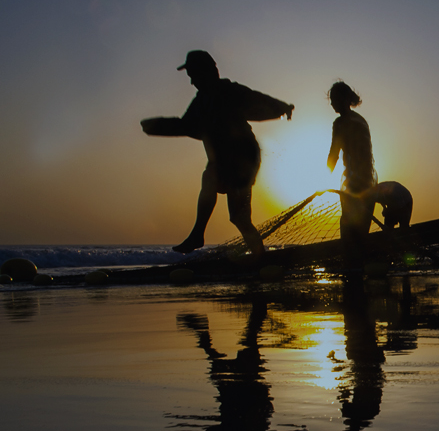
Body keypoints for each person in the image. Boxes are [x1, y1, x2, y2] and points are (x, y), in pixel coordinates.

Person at [141, 50, 294, 258]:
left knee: (222, 194)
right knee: (231, 207)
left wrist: (282, 107)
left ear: (209, 71)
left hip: (243, 157)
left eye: (194, 75)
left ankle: (249, 254)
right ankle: (255, 255)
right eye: (190, 77)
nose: (192, 81)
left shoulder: (228, 90)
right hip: (224, 159)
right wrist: (157, 126)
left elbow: (256, 100)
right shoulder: (200, 101)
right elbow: (189, 126)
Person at [327, 81, 377, 269]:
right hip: (370, 179)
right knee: (361, 229)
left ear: (345, 99)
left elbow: (334, 154)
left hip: (353, 182)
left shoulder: (340, 123)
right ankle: (360, 268)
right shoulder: (361, 120)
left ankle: (351, 268)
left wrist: (324, 176)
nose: (332, 104)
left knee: (348, 226)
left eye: (334, 100)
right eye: (331, 100)